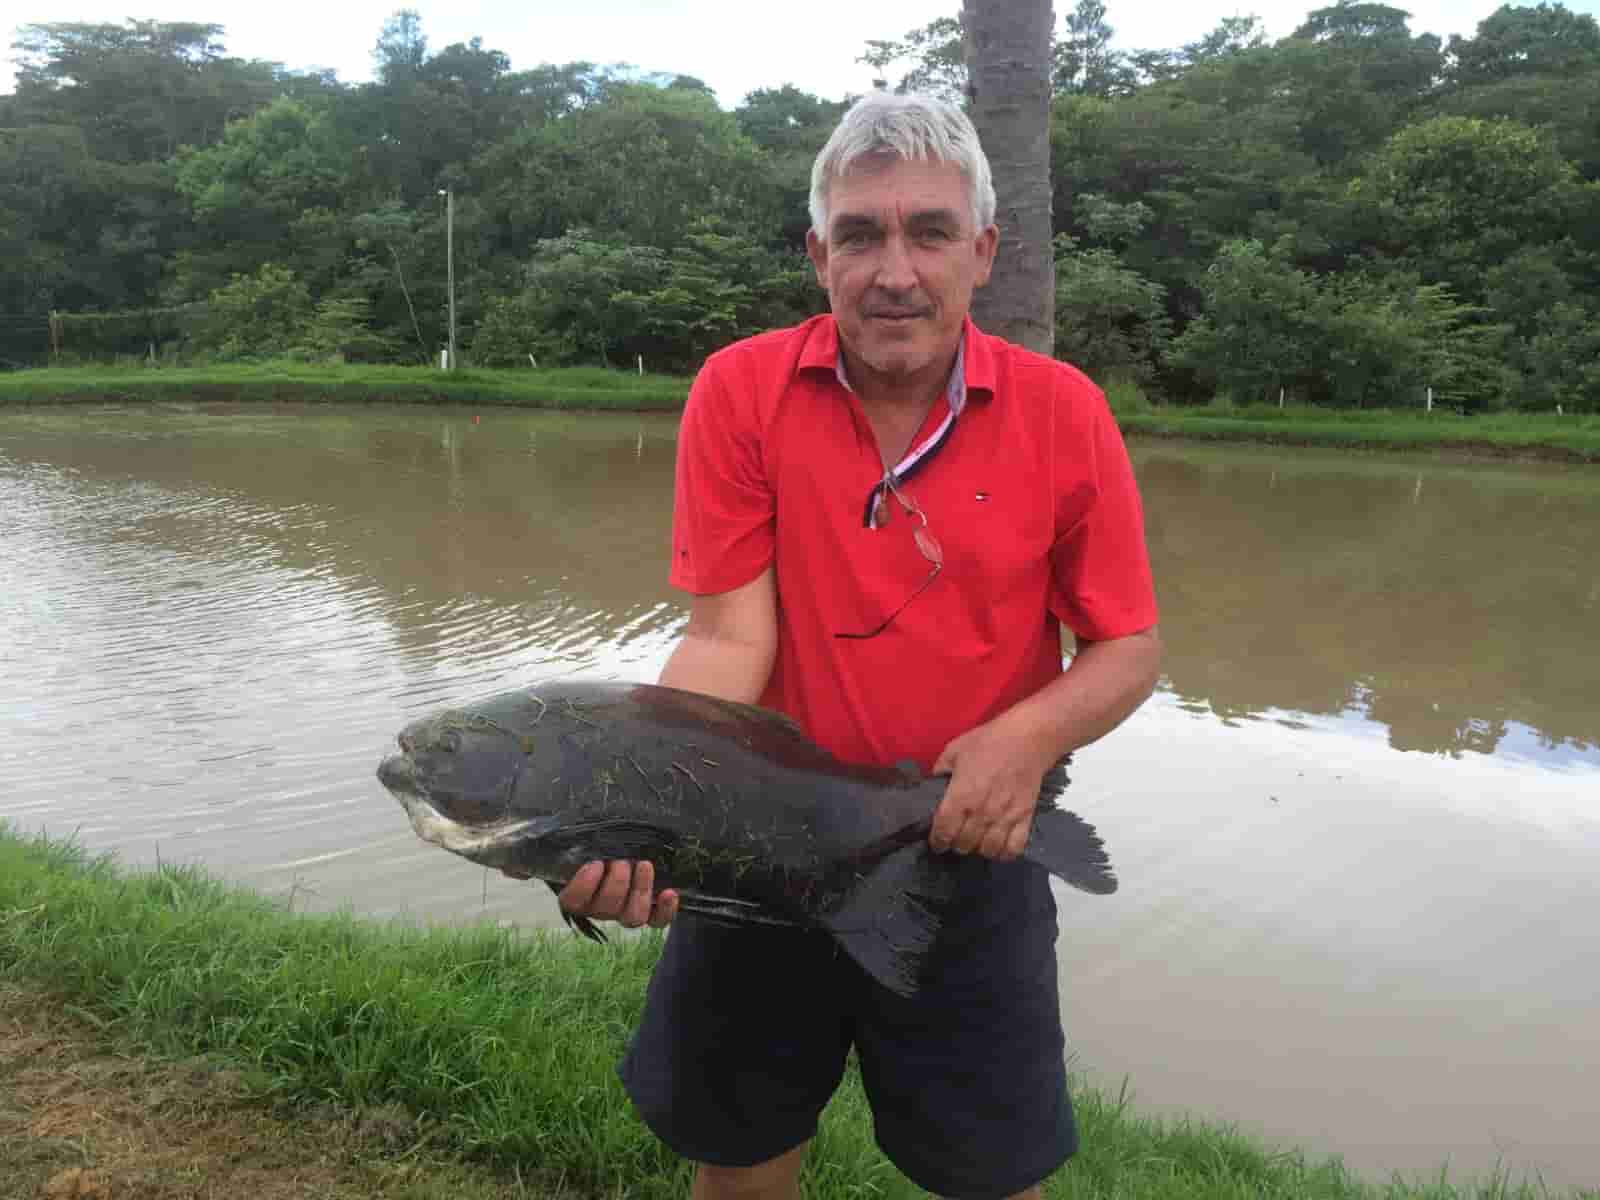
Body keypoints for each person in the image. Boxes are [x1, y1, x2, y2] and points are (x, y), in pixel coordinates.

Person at [555, 91, 1161, 1200]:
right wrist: (628, 810)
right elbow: (729, 637)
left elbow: (1127, 645)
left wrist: (1024, 740)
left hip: (970, 847)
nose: (895, 269)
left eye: (929, 232)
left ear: (981, 251)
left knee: (990, 1171)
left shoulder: (1063, 411)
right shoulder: (740, 390)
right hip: (759, 846)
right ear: (816, 254)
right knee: (737, 1154)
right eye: (860, 234)